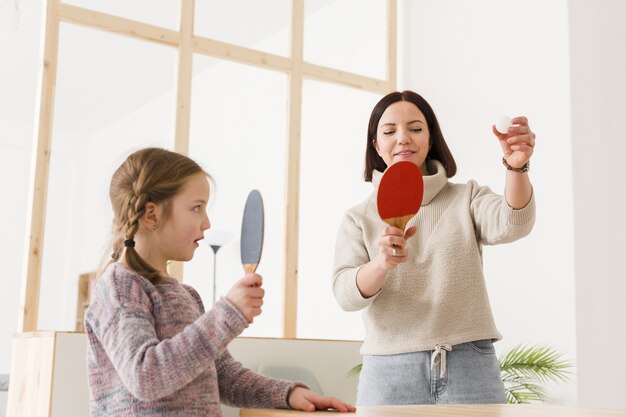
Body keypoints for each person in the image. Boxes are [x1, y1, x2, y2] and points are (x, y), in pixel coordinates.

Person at [85, 147, 355, 416]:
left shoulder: (187, 295)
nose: (207, 222)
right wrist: (227, 314)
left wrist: (288, 394)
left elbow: (224, 376)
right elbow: (144, 376)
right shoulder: (120, 288)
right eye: (196, 208)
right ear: (151, 214)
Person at [332, 91, 536, 405]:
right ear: (375, 144)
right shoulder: (358, 217)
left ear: (430, 139)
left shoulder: (466, 197)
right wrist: (380, 264)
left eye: (415, 129)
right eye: (389, 131)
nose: (403, 139)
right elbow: (345, 294)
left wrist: (516, 168)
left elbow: (513, 222)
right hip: (389, 371)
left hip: (470, 364)